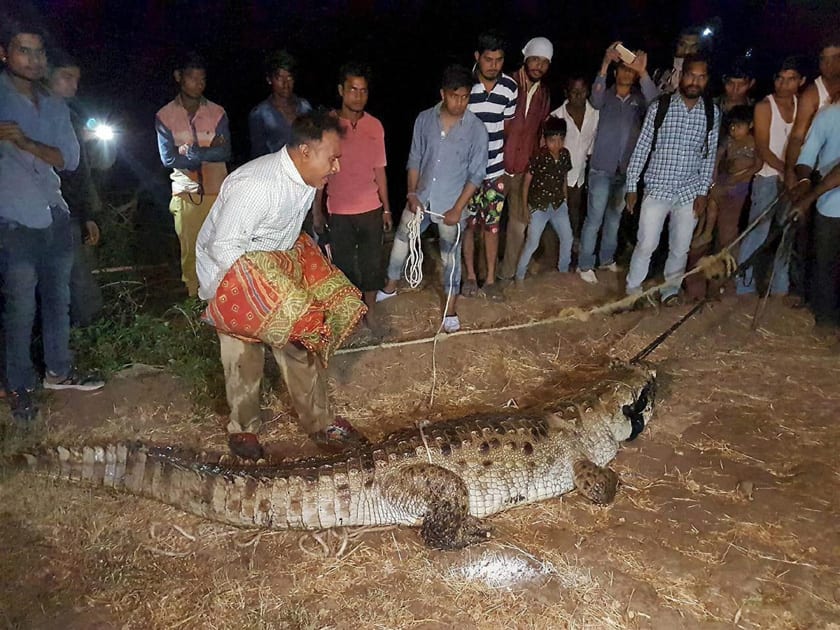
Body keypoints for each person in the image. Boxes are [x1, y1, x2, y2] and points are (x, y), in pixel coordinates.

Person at [196, 111, 367, 458]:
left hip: (274, 261)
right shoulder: (257, 186)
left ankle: (320, 423)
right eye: (331, 158)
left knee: (300, 342)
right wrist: (264, 298)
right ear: (305, 151)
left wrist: (288, 292)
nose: (335, 167)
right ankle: (243, 430)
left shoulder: (306, 179)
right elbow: (223, 245)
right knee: (243, 354)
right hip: (230, 270)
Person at [0, 22, 103, 423]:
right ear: (5, 54)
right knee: (20, 308)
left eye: (39, 53)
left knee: (58, 301)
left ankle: (59, 372)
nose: (33, 59)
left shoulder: (55, 106)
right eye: (24, 51)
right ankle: (20, 387)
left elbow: (71, 159)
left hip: (54, 213)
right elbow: (58, 155)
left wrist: (24, 143)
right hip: (12, 219)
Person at [377, 65, 487, 334]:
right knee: (401, 243)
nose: (460, 102)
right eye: (455, 96)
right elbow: (414, 158)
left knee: (451, 258)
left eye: (465, 97)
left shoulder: (477, 129)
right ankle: (390, 287)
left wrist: (457, 209)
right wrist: (412, 193)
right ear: (443, 93)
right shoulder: (424, 119)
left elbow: (476, 175)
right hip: (421, 199)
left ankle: (450, 308)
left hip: (452, 205)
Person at [624, 54, 720, 304]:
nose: (695, 81)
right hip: (657, 189)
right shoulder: (661, 107)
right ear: (682, 75)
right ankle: (632, 291)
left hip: (688, 193)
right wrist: (632, 186)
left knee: (680, 249)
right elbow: (643, 147)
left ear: (706, 80)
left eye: (701, 77)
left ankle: (670, 291)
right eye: (690, 75)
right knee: (646, 245)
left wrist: (702, 192)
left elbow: (708, 157)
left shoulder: (711, 112)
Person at [314, 62, 390, 328]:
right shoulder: (329, 126)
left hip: (370, 206)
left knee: (372, 263)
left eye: (363, 91)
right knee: (344, 265)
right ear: (341, 91)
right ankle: (350, 311)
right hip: (340, 209)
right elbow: (320, 172)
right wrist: (317, 210)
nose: (358, 96)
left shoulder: (375, 126)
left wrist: (387, 208)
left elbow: (380, 169)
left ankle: (370, 309)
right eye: (353, 90)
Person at [578, 42, 659, 284]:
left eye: (630, 70)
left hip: (626, 170)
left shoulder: (639, 100)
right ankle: (584, 264)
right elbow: (594, 97)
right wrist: (605, 62)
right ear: (616, 71)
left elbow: (657, 103)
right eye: (622, 68)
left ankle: (606, 259)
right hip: (601, 168)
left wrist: (643, 71)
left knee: (614, 218)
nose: (626, 73)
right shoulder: (606, 96)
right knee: (594, 218)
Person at [155, 52, 230, 297]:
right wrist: (208, 150)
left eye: (202, 79)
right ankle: (194, 297)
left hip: (218, 191)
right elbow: (168, 159)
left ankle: (223, 298)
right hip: (186, 193)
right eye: (192, 77)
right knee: (190, 251)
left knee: (221, 247)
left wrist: (191, 154)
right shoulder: (164, 116)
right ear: (179, 77)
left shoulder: (217, 112)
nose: (198, 83)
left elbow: (226, 151)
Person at [736, 57, 804, 296]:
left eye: (791, 79)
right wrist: (788, 172)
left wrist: (795, 175)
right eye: (780, 79)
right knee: (758, 232)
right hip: (768, 177)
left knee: (787, 233)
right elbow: (763, 148)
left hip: (793, 178)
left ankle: (780, 288)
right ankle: (744, 287)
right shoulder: (765, 107)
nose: (784, 85)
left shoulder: (804, 106)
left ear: (801, 81)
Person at [47, 50, 104, 326]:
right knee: (77, 279)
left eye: (76, 79)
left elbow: (87, 171)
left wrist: (87, 215)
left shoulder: (70, 117)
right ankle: (88, 337)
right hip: (52, 211)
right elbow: (68, 174)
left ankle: (83, 338)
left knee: (75, 276)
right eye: (66, 77)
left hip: (70, 210)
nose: (73, 85)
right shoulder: (39, 116)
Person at [783, 39, 840, 305]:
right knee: (806, 235)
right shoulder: (813, 94)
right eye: (824, 59)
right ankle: (800, 290)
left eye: (835, 58)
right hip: (816, 173)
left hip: (827, 180)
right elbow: (797, 139)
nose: (829, 65)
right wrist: (796, 177)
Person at [462, 31, 518, 302]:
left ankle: (491, 278)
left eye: (499, 60)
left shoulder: (509, 87)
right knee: (469, 225)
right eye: (488, 59)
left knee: (493, 226)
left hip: (495, 169)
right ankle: (471, 276)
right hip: (466, 173)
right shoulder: (465, 87)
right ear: (477, 58)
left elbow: (506, 129)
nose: (494, 65)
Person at [686, 105, 762, 301]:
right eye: (732, 126)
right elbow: (716, 158)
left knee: (728, 238)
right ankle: (697, 287)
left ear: (751, 125)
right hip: (721, 186)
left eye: (739, 126)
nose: (734, 130)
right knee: (707, 219)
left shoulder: (754, 143)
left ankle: (725, 284)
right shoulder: (728, 142)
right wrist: (711, 183)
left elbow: (758, 165)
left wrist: (737, 178)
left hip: (736, 193)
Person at [498, 36, 553, 282]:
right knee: (487, 225)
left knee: (518, 227)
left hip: (522, 171)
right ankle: (480, 276)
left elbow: (540, 133)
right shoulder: (507, 83)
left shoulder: (544, 95)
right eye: (535, 59)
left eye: (544, 62)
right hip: (496, 167)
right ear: (526, 58)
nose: (538, 66)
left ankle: (506, 275)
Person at [791, 112, 840, 337]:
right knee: (824, 265)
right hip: (830, 206)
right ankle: (826, 320)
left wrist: (809, 198)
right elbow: (806, 157)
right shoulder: (828, 116)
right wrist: (803, 180)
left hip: (825, 198)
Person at [514, 117, 573, 282]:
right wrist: (526, 208)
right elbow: (526, 184)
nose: (557, 144)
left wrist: (565, 201)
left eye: (561, 139)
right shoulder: (538, 156)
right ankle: (519, 276)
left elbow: (564, 178)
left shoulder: (565, 155)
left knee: (567, 238)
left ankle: (563, 273)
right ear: (545, 140)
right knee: (532, 243)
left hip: (558, 205)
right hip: (539, 207)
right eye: (552, 140)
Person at [550, 76, 598, 247]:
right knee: (555, 215)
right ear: (566, 93)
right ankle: (553, 252)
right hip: (558, 176)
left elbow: (591, 148)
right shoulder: (555, 116)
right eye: (574, 92)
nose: (578, 95)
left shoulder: (595, 115)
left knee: (575, 212)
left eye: (582, 91)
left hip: (579, 175)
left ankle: (571, 248)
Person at [248, 50, 313, 159]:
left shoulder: (305, 107)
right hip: (275, 172)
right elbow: (258, 154)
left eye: (289, 77)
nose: (285, 84)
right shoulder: (259, 114)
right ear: (269, 80)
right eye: (279, 78)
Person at [654, 27, 702, 94]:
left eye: (693, 47)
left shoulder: (702, 78)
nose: (687, 51)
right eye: (682, 45)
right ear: (675, 45)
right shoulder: (660, 73)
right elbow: (650, 100)